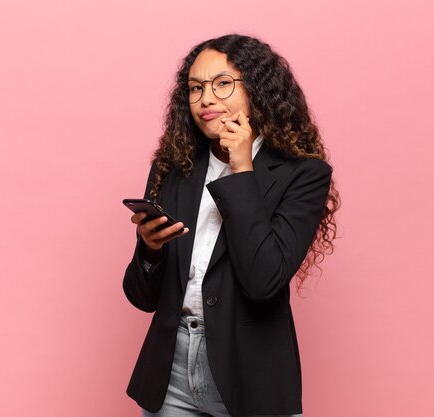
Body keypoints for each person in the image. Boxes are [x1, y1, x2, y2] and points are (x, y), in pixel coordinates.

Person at [123, 34, 339, 417]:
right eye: (195, 88)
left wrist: (242, 169)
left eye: (222, 84)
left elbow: (264, 281)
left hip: (252, 373)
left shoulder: (303, 174)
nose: (206, 98)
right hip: (171, 371)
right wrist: (150, 249)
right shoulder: (174, 168)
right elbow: (142, 299)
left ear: (256, 90)